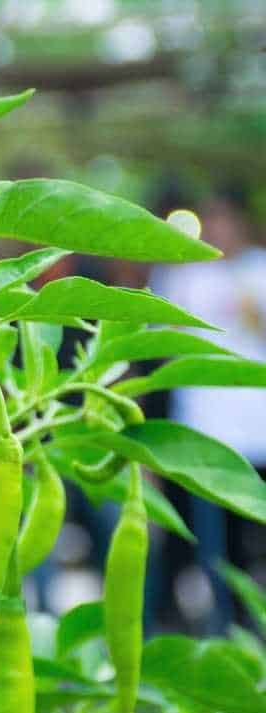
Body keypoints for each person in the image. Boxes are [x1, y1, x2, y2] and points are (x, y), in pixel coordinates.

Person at [149, 190, 266, 633]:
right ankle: (223, 626)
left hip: (258, 428)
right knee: (216, 546)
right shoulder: (182, 277)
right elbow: (161, 345)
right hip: (207, 431)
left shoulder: (258, 268)